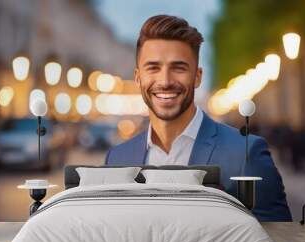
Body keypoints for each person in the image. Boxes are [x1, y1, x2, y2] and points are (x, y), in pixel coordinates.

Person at [104, 15, 292, 221]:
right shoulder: (116, 159)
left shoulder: (246, 155)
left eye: (178, 68)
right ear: (138, 78)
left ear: (198, 77)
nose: (165, 81)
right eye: (153, 68)